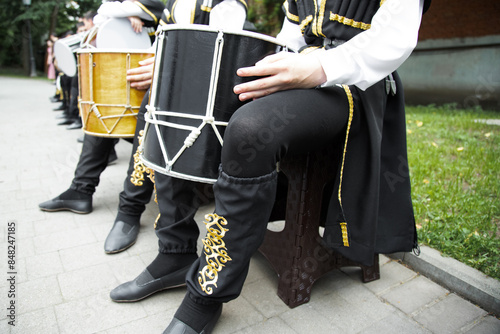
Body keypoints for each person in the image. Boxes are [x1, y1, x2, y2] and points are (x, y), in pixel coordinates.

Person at [141, 0, 431, 333]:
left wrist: (320, 66)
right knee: (178, 96)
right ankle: (174, 249)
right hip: (300, 71)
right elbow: (289, 40)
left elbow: (395, 39)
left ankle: (208, 293)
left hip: (356, 84)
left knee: (250, 131)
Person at [39, 1, 165, 215]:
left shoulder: (155, 4)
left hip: (163, 95)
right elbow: (101, 15)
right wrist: (125, 15)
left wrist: (124, 13)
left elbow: (105, 10)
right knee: (105, 113)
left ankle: (129, 209)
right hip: (142, 84)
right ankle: (81, 190)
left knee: (128, 122)